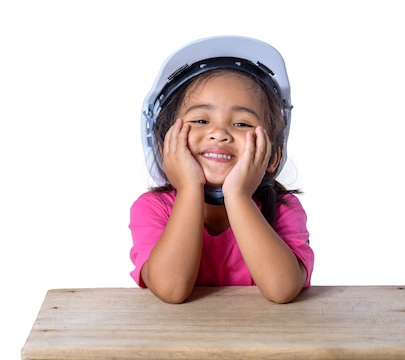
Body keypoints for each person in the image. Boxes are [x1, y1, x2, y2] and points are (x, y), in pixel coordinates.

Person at [129, 36, 314, 304]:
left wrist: (237, 196)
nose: (219, 133)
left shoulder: (285, 209)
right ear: (165, 145)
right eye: (201, 120)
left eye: (241, 124)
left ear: (272, 156)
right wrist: (189, 188)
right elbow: (171, 289)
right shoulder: (152, 208)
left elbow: (282, 289)